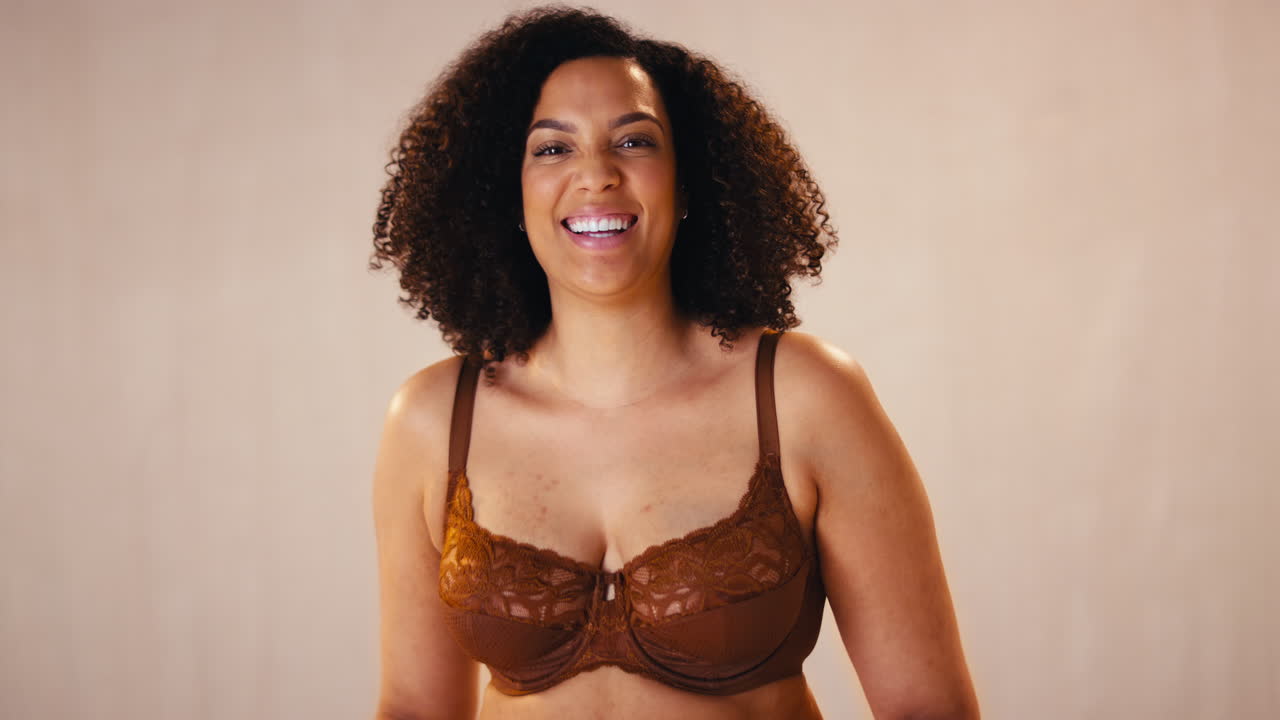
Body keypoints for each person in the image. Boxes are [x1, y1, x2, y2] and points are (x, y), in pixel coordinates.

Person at [367, 6, 978, 719]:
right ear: (508, 193)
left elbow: (929, 708)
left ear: (689, 184)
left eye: (633, 141)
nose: (596, 175)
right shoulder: (434, 421)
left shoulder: (805, 397)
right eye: (552, 149)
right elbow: (414, 708)